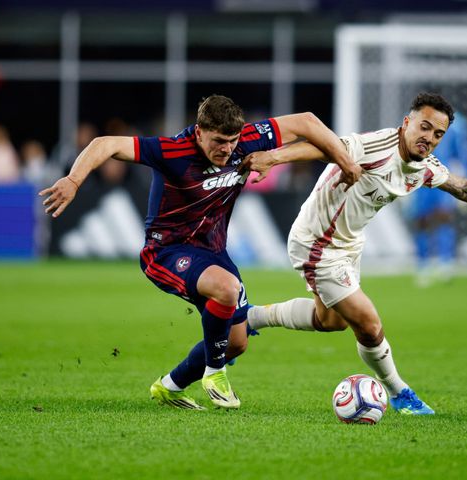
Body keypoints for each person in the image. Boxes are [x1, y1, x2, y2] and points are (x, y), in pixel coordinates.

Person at [40, 94, 362, 410]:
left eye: (232, 141)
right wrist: (73, 179)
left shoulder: (248, 140)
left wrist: (339, 161)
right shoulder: (173, 151)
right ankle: (215, 374)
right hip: (166, 252)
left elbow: (306, 122)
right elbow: (104, 144)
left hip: (213, 253)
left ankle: (169, 386)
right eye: (219, 141)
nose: (227, 149)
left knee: (236, 342)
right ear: (199, 132)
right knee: (226, 289)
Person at [242, 92, 467, 415]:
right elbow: (325, 148)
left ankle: (252, 317)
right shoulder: (377, 147)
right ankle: (400, 392)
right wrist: (273, 158)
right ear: (407, 123)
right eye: (424, 127)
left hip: (348, 242)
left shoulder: (423, 167)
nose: (429, 138)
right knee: (369, 324)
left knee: (330, 321)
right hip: (317, 241)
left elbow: (462, 187)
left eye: (437, 134)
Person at [407, 111, 467, 285]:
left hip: (443, 176)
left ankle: (446, 263)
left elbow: (463, 154)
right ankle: (423, 265)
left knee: (444, 217)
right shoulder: (413, 119)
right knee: (421, 220)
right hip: (419, 176)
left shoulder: (456, 123)